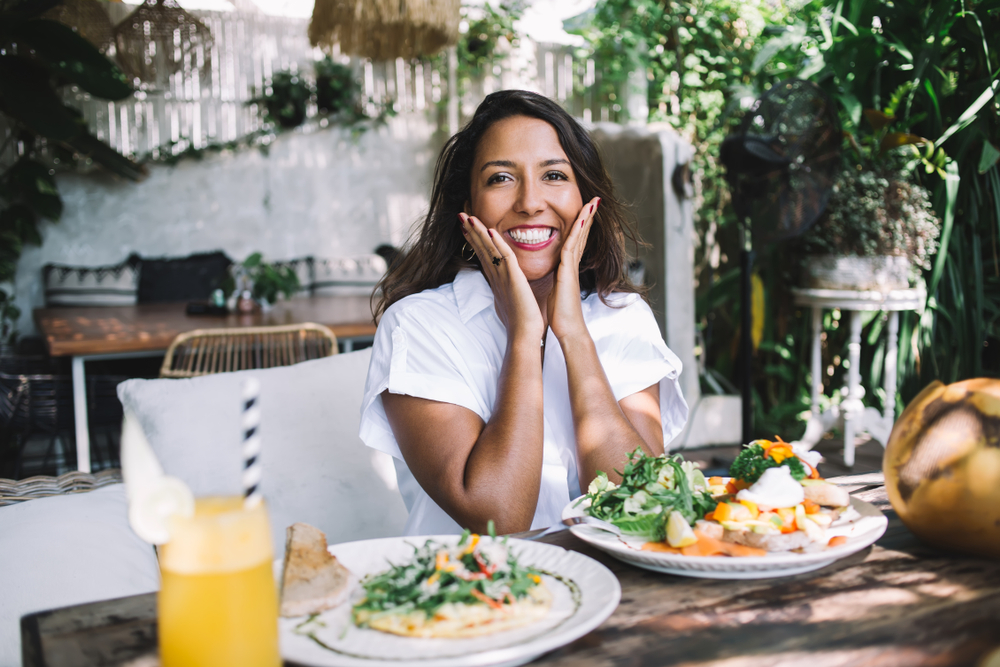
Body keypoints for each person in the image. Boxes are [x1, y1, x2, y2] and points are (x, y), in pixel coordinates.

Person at [360, 90, 688, 536]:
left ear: (586, 200)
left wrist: (573, 336)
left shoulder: (622, 317)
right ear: (469, 207)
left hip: (612, 593)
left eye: (554, 175)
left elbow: (640, 508)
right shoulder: (418, 326)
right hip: (470, 598)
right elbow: (498, 517)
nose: (531, 202)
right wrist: (523, 336)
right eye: (500, 178)